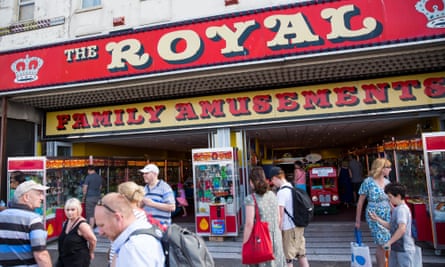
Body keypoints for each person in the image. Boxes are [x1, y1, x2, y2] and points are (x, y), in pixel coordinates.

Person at [94, 192, 164, 267]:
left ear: (118, 218)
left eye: (102, 225)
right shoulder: (141, 232)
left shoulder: (133, 248)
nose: (100, 232)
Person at [0, 180, 52, 267]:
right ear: (26, 197)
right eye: (38, 194)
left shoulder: (1, 216)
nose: (42, 198)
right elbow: (41, 255)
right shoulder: (33, 219)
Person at [243, 166, 285, 267]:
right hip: (276, 239)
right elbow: (279, 218)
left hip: (261, 240)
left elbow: (249, 224)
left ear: (252, 182)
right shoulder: (273, 195)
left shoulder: (251, 198)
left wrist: (245, 243)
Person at [355, 158, 392, 267]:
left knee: (382, 244)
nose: (390, 169)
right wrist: (358, 221)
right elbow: (360, 202)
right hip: (373, 215)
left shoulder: (387, 182)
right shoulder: (368, 182)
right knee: (384, 242)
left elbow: (389, 200)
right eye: (388, 167)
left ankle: (383, 264)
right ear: (381, 168)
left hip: (386, 214)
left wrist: (396, 211)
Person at [270, 166, 309, 267]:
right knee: (302, 255)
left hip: (289, 229)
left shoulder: (281, 192)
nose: (272, 183)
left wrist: (277, 231)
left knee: (288, 259)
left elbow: (280, 215)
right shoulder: (292, 187)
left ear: (275, 178)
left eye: (272, 180)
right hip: (299, 226)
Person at [369, 182, 415, 267]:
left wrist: (389, 242)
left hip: (404, 248)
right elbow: (392, 226)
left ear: (398, 196)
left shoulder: (402, 210)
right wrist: (377, 219)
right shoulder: (397, 209)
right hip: (397, 247)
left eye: (390, 197)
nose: (389, 199)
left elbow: (402, 229)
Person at [57, 198, 97, 267]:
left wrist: (91, 252)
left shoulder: (82, 225)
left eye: (73, 210)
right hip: (64, 259)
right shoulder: (67, 222)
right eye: (67, 210)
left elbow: (93, 240)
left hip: (78, 261)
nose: (69, 212)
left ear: (78, 210)